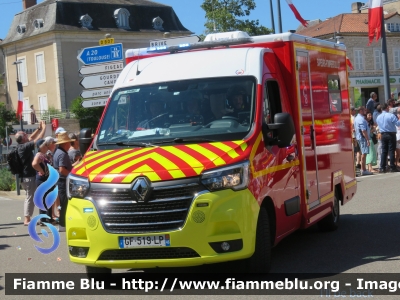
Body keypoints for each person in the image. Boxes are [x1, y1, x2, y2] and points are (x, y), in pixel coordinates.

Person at [15, 120, 46, 225]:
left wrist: (38, 128)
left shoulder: (21, 146)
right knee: (30, 196)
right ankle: (27, 219)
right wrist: (44, 128)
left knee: (30, 196)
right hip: (28, 176)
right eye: (25, 135)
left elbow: (31, 138)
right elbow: (38, 139)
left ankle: (28, 217)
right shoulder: (25, 147)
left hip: (25, 176)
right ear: (23, 139)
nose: (27, 136)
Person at [32, 136, 57, 224]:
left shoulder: (44, 155)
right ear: (41, 147)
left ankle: (44, 219)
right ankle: (47, 219)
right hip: (43, 179)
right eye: (45, 145)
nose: (47, 147)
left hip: (44, 179)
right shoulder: (39, 155)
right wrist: (41, 170)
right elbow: (34, 164)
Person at [53, 132, 74, 232]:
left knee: (62, 203)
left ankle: (62, 223)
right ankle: (62, 224)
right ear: (65, 143)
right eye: (69, 143)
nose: (70, 144)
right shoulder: (63, 154)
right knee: (64, 203)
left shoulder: (57, 152)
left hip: (59, 180)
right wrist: (71, 176)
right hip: (63, 181)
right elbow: (62, 169)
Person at [376, 102, 400, 173]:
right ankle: (392, 167)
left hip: (383, 134)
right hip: (391, 134)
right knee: (391, 150)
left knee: (384, 151)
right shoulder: (391, 115)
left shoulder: (378, 117)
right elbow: (398, 124)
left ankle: (382, 167)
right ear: (387, 108)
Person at [353, 106, 373, 176]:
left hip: (359, 137)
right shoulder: (361, 119)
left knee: (362, 153)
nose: (365, 111)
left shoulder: (357, 118)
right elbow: (363, 130)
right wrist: (367, 139)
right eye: (364, 110)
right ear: (361, 111)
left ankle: (363, 169)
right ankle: (363, 169)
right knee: (364, 154)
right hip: (363, 138)